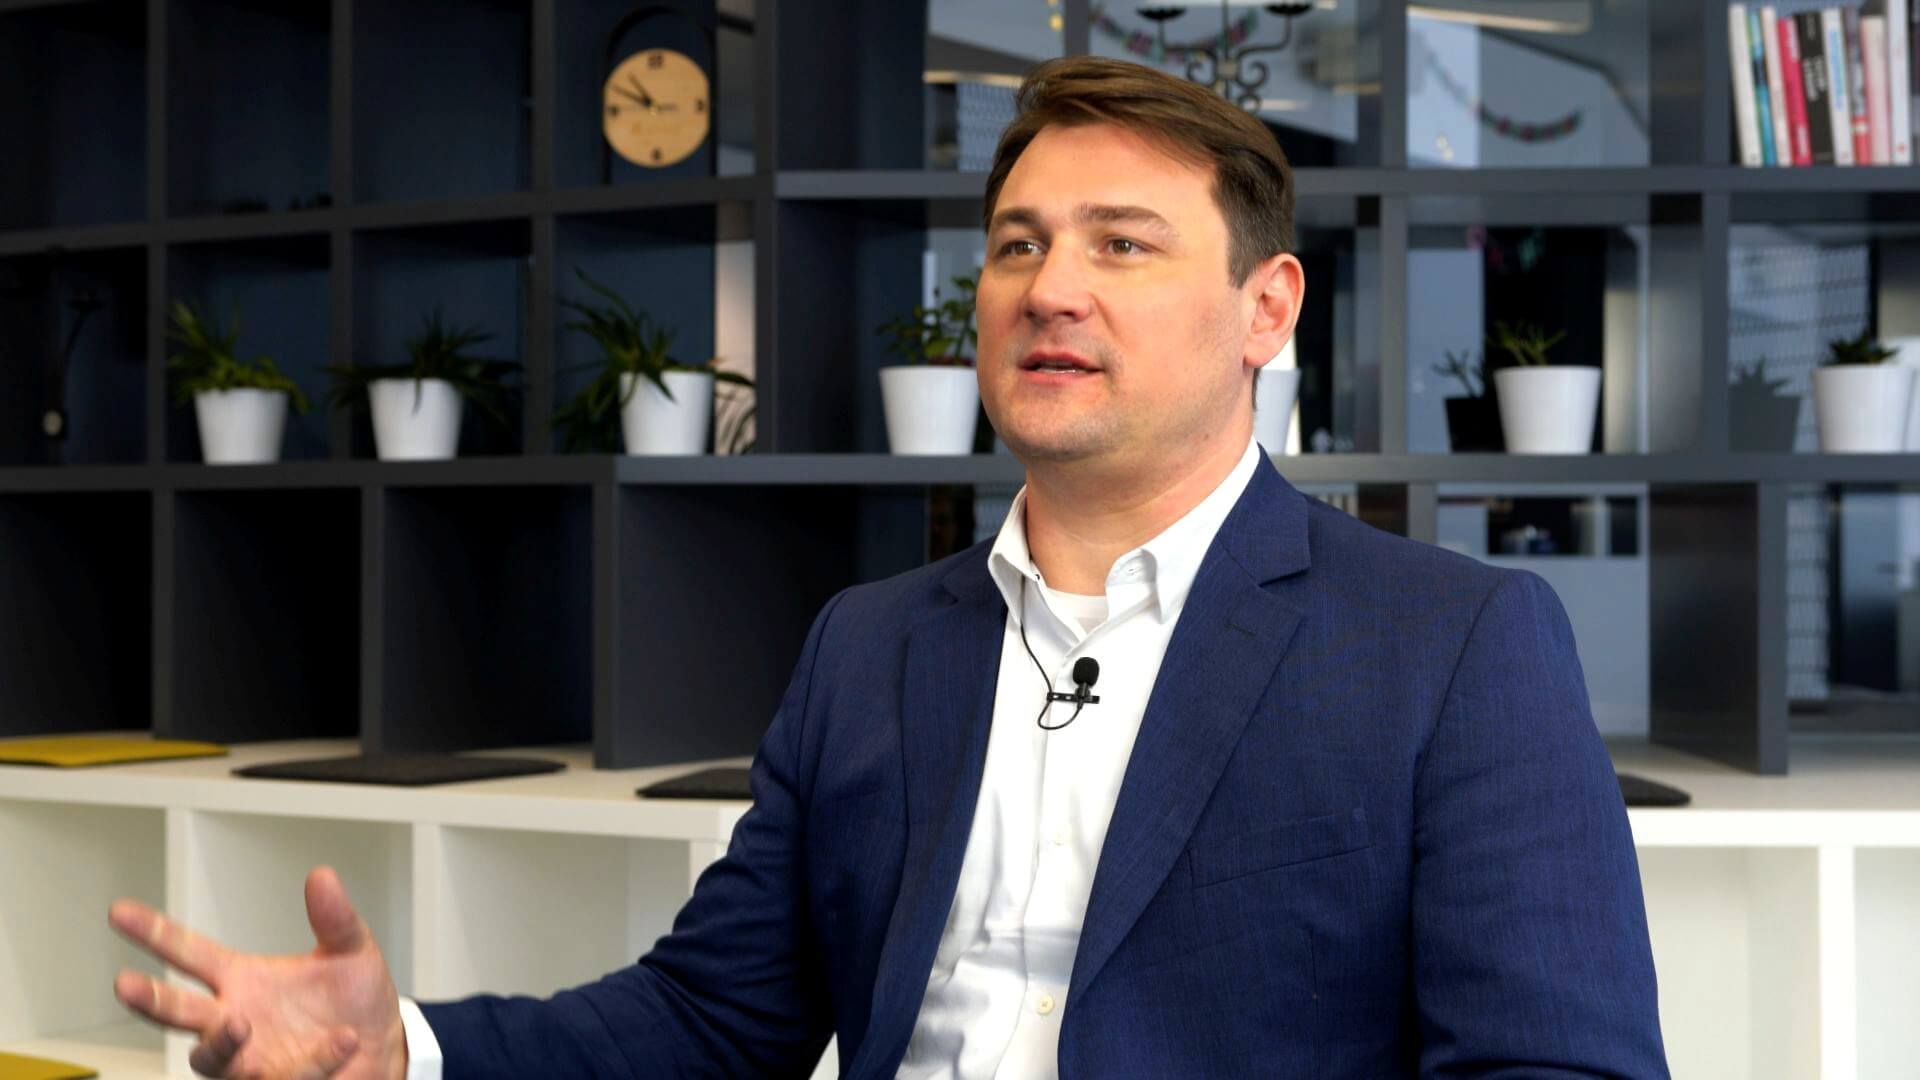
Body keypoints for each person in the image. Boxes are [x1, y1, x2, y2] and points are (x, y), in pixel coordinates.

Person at [107, 55, 1668, 1078]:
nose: (1049, 286)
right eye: (1017, 243)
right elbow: (713, 1018)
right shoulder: (874, 644)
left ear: (1268, 309)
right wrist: (405, 1048)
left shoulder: (1452, 645)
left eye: (1122, 243)